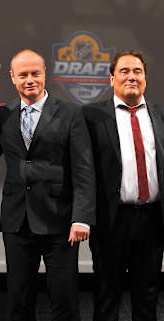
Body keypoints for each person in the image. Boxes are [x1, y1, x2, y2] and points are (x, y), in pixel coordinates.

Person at [0, 49, 95, 321]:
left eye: (35, 73)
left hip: (61, 221)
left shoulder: (71, 113)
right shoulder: (3, 115)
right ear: (12, 77)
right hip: (17, 222)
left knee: (64, 300)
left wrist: (81, 218)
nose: (29, 79)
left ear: (45, 74)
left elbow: (83, 169)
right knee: (19, 301)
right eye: (23, 75)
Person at [82, 50, 164, 321]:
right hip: (110, 222)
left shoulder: (159, 116)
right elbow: (84, 171)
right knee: (107, 297)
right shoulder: (91, 117)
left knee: (148, 297)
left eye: (137, 72)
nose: (131, 77)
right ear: (111, 78)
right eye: (125, 71)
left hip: (152, 220)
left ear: (145, 78)